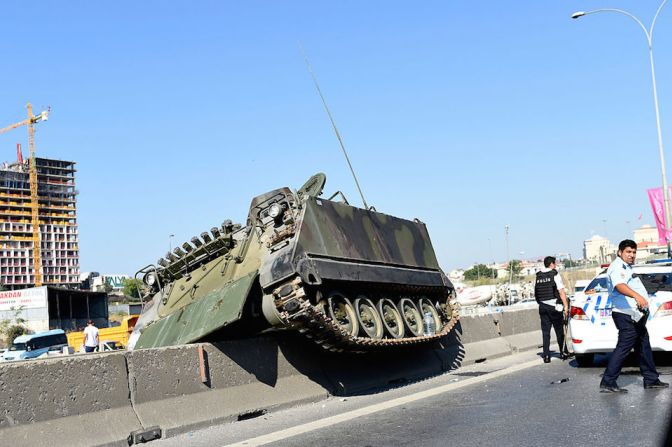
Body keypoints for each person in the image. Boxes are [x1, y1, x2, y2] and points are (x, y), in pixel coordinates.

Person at [599, 239, 668, 393]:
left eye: (634, 252)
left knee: (643, 344)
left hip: (634, 314)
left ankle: (651, 379)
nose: (631, 255)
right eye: (628, 252)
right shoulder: (618, 267)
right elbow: (620, 285)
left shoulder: (627, 267)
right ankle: (608, 381)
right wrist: (637, 296)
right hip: (625, 314)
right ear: (620, 252)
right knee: (624, 347)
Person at [534, 256, 569, 363]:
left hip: (542, 307)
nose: (556, 265)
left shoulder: (538, 275)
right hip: (554, 306)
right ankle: (563, 353)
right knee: (559, 331)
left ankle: (546, 356)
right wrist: (566, 306)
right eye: (555, 264)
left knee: (545, 332)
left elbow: (536, 293)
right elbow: (561, 291)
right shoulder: (554, 274)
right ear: (552, 264)